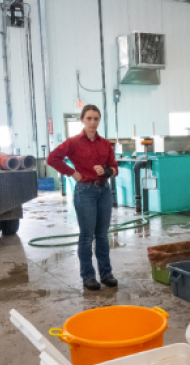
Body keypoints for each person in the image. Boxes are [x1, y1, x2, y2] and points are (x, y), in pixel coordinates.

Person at [47, 105, 120, 291]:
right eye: (89, 118)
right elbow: (52, 158)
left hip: (104, 191)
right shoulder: (73, 142)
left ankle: (106, 274)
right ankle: (88, 276)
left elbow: (114, 168)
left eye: (96, 119)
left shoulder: (105, 144)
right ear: (82, 120)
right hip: (85, 192)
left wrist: (106, 171)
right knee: (87, 237)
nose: (93, 122)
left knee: (102, 235)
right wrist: (72, 172)